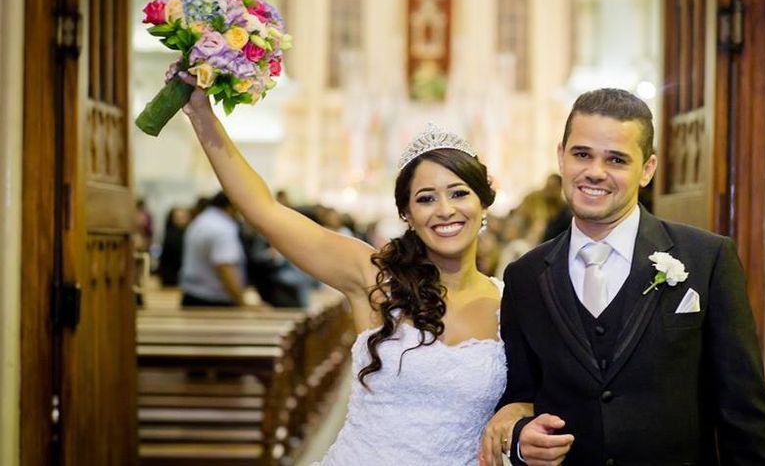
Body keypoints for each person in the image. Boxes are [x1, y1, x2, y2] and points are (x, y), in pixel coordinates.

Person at [179, 75, 530, 464]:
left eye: (459, 193)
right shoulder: (376, 280)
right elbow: (265, 210)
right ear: (407, 214)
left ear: (484, 203)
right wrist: (201, 114)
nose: (445, 210)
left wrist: (519, 411)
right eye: (426, 198)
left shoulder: (512, 302)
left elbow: (546, 391)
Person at [482, 88, 765, 465]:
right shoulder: (525, 276)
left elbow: (744, 411)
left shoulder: (707, 260)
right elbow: (519, 395)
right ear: (561, 156)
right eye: (582, 154)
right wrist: (523, 440)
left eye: (617, 159)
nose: (595, 171)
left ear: (648, 169)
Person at [179, 191, 247, 306]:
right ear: (234, 205)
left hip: (193, 295)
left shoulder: (201, 220)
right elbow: (224, 267)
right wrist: (241, 301)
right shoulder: (222, 227)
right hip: (213, 300)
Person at [157, 205, 190, 287]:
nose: (182, 220)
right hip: (173, 278)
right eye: (179, 217)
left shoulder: (186, 233)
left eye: (184, 217)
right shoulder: (173, 235)